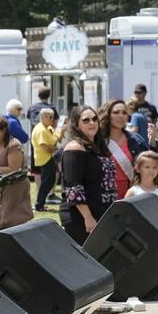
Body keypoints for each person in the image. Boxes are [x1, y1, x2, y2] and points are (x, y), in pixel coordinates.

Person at [60, 105, 117, 245]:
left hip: (102, 212)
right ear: (76, 124)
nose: (92, 123)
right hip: (82, 217)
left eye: (94, 119)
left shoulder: (98, 147)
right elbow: (74, 188)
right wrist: (88, 217)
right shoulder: (74, 149)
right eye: (86, 120)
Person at [100, 99, 150, 200]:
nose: (121, 116)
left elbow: (149, 164)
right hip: (104, 196)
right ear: (107, 115)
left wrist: (153, 144)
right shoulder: (98, 141)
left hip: (131, 195)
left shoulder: (136, 139)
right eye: (116, 112)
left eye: (124, 113)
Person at [31, 107, 62, 212]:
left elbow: (58, 138)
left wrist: (62, 129)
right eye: (50, 117)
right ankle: (39, 204)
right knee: (47, 182)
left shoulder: (48, 127)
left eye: (53, 117)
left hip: (49, 158)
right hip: (45, 159)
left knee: (49, 181)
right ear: (43, 117)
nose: (52, 119)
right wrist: (54, 147)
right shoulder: (41, 130)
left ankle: (41, 203)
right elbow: (47, 148)